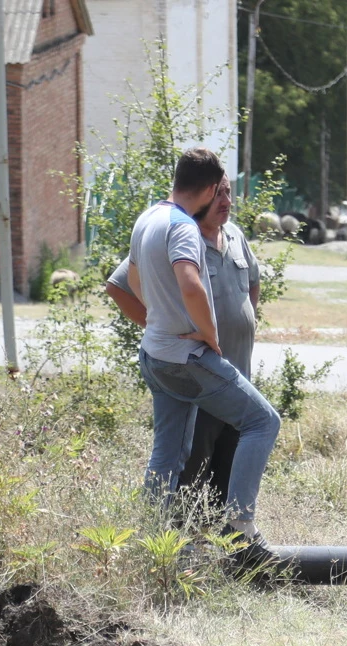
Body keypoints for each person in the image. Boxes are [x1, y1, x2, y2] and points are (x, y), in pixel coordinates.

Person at [127, 148, 281, 561]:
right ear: (211, 188)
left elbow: (135, 278)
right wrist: (209, 335)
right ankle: (241, 525)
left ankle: (154, 541)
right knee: (263, 421)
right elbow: (192, 285)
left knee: (168, 452)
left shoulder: (149, 217)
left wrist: (158, 318)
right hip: (187, 358)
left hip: (155, 355)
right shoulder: (182, 228)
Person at [107, 180, 262, 515]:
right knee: (189, 473)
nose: (226, 201)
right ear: (201, 196)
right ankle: (179, 544)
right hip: (198, 376)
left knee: (230, 467)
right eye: (218, 193)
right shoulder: (179, 235)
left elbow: (253, 282)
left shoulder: (234, 235)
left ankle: (230, 547)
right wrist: (160, 324)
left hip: (238, 375)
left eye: (229, 193)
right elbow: (119, 287)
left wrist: (247, 318)